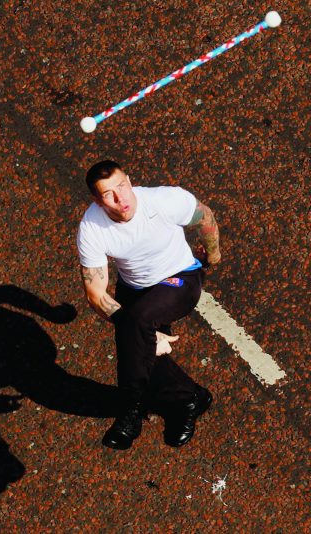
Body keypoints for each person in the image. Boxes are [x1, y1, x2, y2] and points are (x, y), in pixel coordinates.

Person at [76, 160, 221, 449]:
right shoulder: (91, 228)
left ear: (129, 181)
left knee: (138, 325)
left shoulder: (164, 200)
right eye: (109, 194)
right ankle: (190, 399)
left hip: (180, 279)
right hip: (134, 289)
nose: (121, 198)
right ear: (98, 201)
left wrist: (213, 254)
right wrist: (140, 333)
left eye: (122, 186)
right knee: (140, 348)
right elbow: (95, 293)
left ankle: (130, 411)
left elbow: (205, 216)